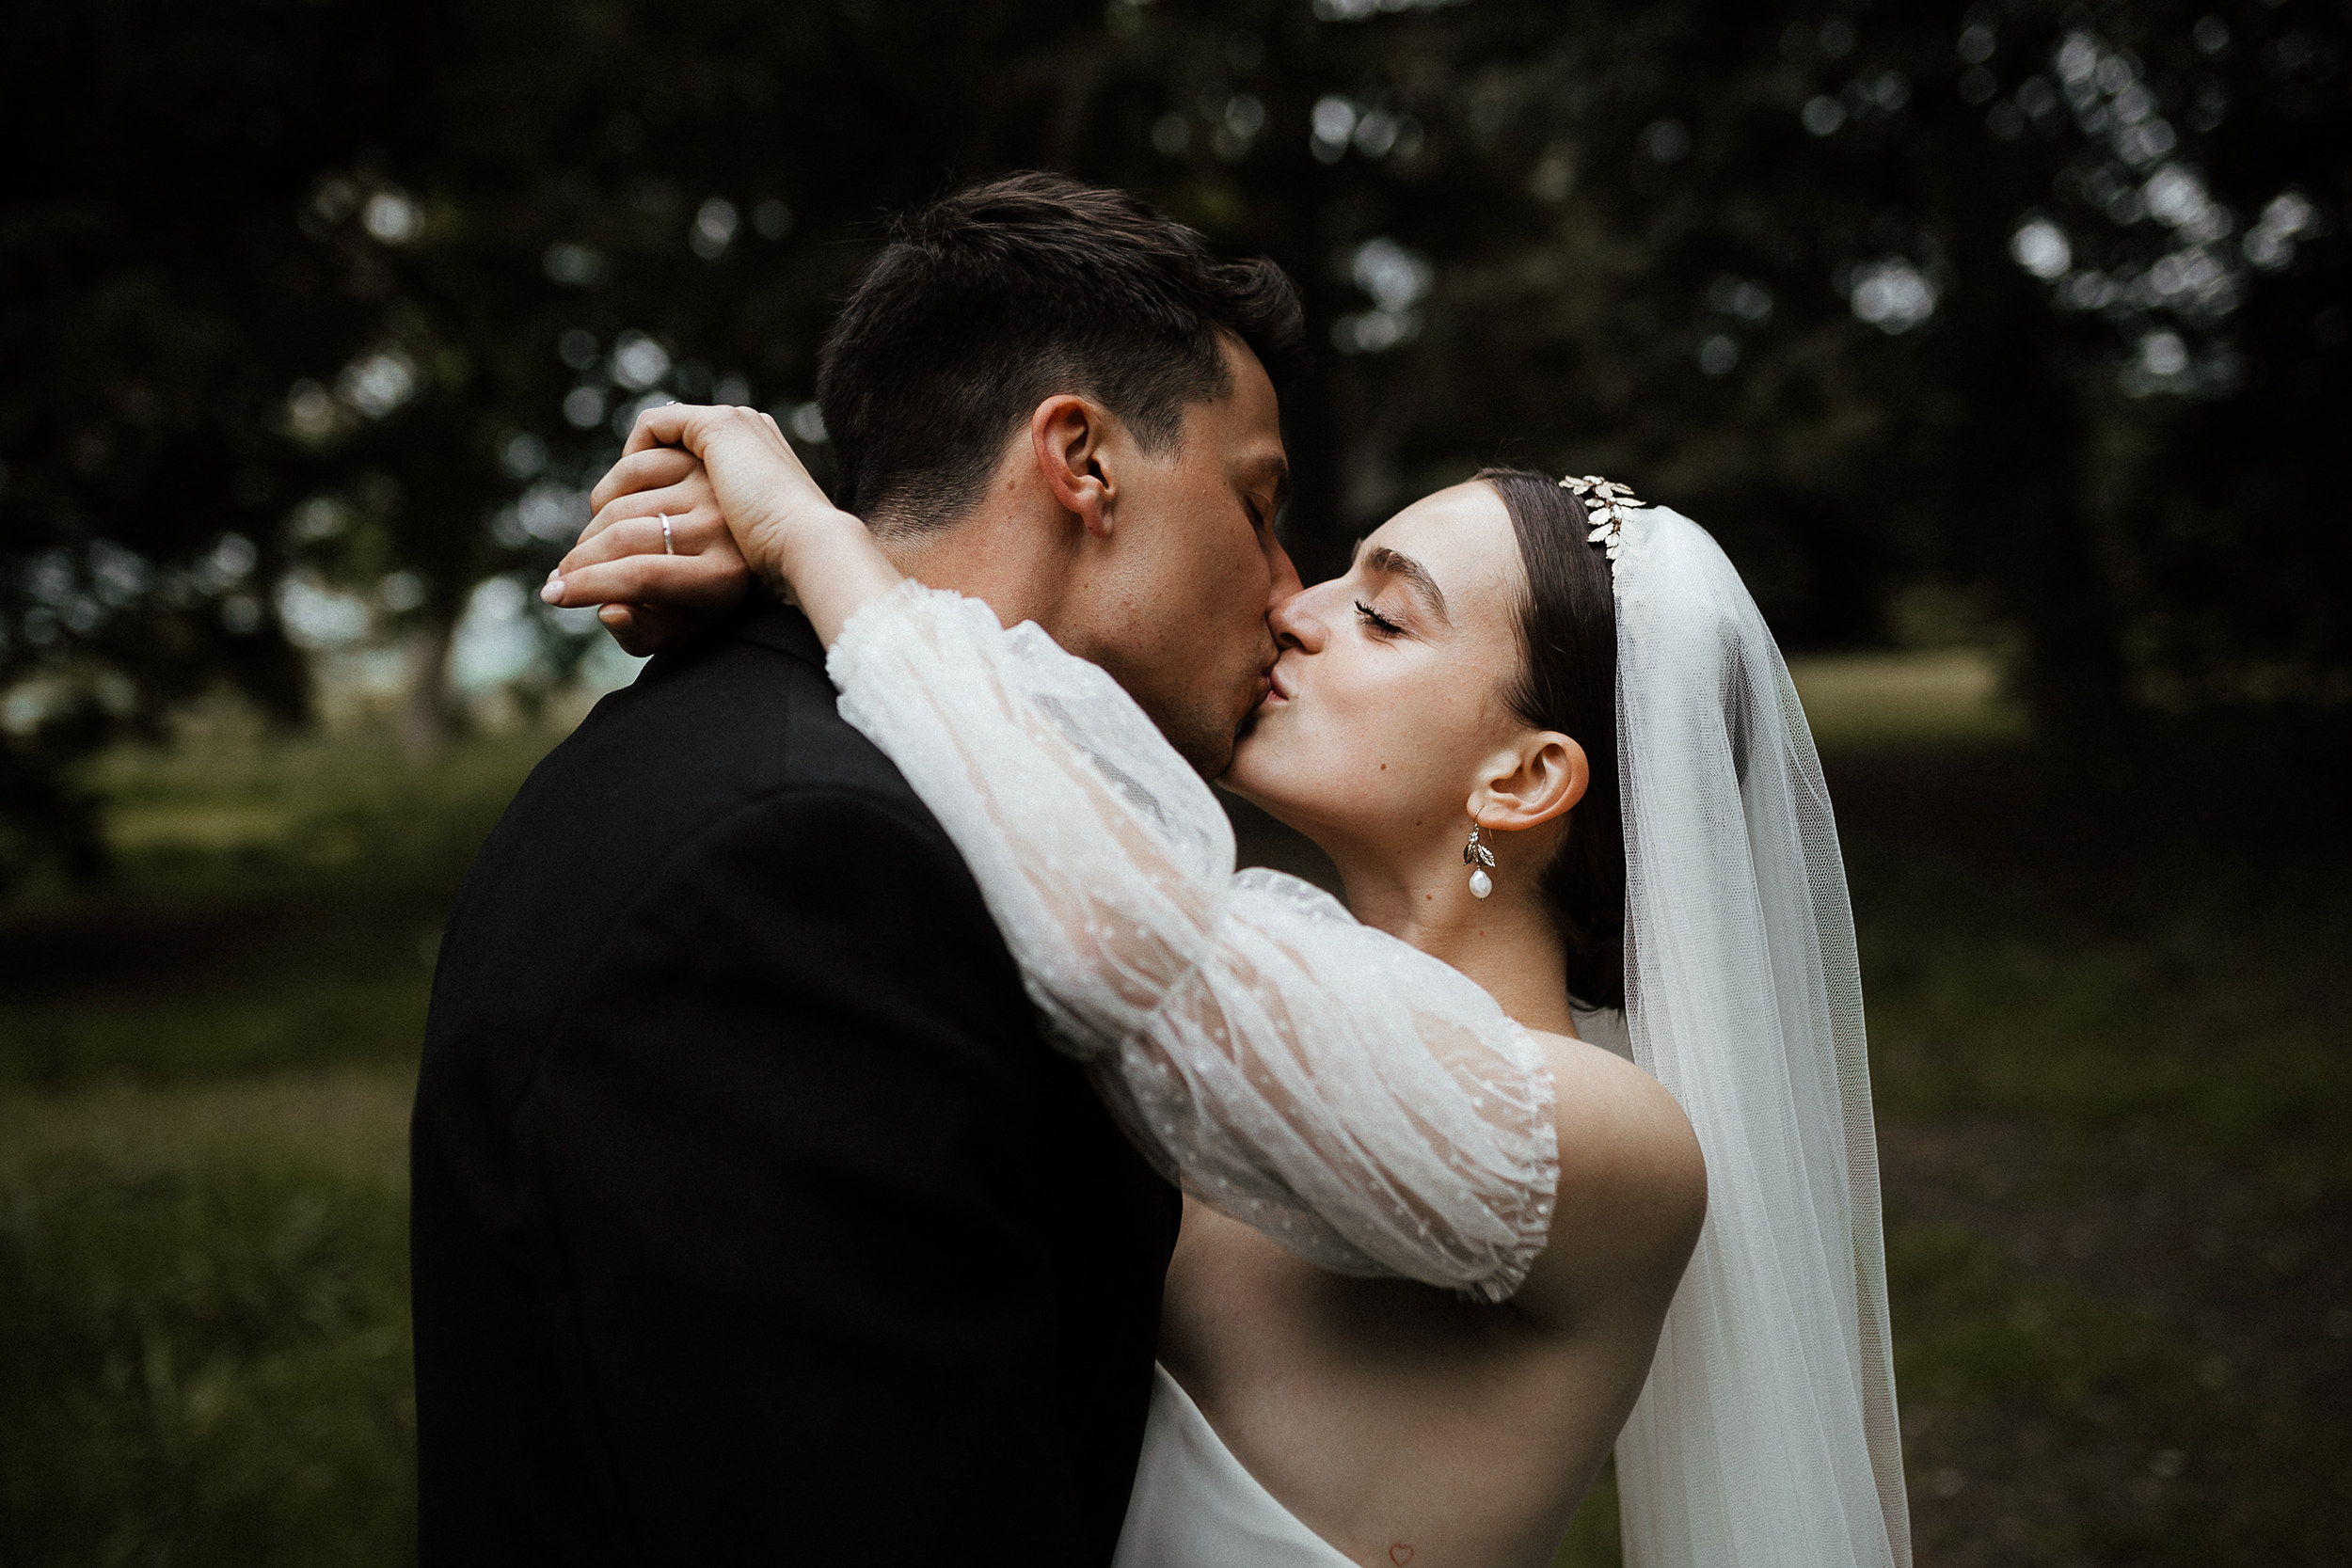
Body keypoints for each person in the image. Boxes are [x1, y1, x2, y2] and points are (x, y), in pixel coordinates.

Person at [546, 312, 1913, 1562]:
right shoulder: (1248, 966)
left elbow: (1118, 936)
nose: (1291, 607)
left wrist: (824, 546)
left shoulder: (1618, 1154)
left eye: (1381, 615)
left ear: (1521, 780)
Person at [408, 174, 1309, 1565]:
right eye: (1259, 507)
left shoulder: (794, 764)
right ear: (1082, 462)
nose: (1289, 589)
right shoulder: (805, 870)